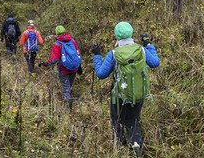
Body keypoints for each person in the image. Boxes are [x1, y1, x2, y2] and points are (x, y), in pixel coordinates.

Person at [91, 22, 159, 157]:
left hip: (118, 95)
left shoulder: (114, 54)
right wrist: (148, 45)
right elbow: (155, 63)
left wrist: (97, 55)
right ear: (131, 33)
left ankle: (120, 149)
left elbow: (101, 74)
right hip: (138, 94)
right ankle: (136, 145)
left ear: (117, 36)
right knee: (133, 121)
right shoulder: (142, 50)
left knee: (117, 121)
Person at [39, 26, 82, 108]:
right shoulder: (72, 41)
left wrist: (45, 63)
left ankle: (67, 109)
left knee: (66, 87)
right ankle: (69, 102)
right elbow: (78, 53)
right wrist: (79, 66)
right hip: (74, 68)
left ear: (56, 33)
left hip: (64, 69)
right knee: (69, 86)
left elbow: (54, 59)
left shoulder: (57, 44)